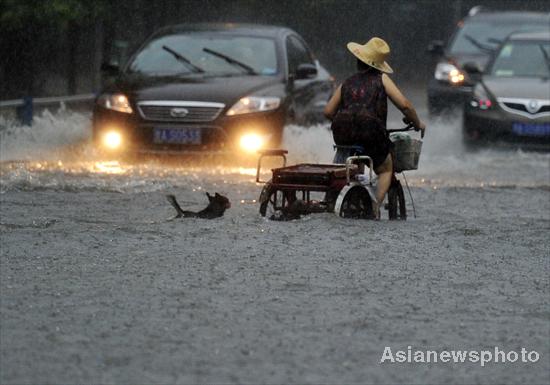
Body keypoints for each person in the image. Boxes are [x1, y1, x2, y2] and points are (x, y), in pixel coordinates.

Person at [324, 37, 426, 216]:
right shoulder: (381, 79)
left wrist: (346, 122)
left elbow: (328, 112)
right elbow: (405, 106)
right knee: (386, 169)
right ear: (378, 65)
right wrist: (418, 123)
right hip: (371, 132)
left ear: (359, 61)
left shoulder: (347, 82)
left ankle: (348, 192)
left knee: (352, 161)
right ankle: (374, 206)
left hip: (343, 134)